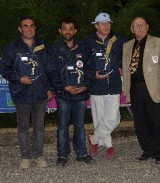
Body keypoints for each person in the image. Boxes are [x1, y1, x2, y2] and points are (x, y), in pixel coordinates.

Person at [0, 16, 53, 169]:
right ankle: (25, 157)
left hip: (40, 93)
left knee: (39, 127)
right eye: (25, 26)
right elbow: (3, 69)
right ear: (20, 29)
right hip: (21, 93)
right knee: (23, 127)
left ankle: (38, 155)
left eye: (32, 26)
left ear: (35, 28)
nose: (29, 28)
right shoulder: (11, 48)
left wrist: (49, 88)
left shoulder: (43, 46)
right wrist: (19, 78)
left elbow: (49, 69)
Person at [122, 17, 160, 164]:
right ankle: (147, 150)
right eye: (136, 25)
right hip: (136, 88)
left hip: (154, 89)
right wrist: (127, 91)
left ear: (147, 27)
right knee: (141, 123)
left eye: (142, 25)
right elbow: (125, 69)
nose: (140, 28)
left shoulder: (159, 42)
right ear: (132, 29)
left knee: (158, 122)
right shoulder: (127, 45)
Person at [47, 17, 95, 167]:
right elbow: (51, 72)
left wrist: (86, 85)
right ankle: (62, 155)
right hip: (63, 95)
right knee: (62, 126)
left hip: (80, 94)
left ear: (75, 31)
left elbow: (90, 69)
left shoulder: (84, 48)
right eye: (64, 28)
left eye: (70, 29)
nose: (67, 32)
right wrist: (63, 87)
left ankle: (81, 153)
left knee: (79, 125)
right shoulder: (54, 49)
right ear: (60, 31)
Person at [83, 13, 126, 158]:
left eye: (108, 23)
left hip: (113, 84)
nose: (106, 26)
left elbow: (125, 57)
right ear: (96, 25)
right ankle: (109, 146)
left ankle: (93, 139)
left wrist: (122, 66)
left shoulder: (119, 39)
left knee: (114, 118)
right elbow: (83, 62)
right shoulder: (88, 41)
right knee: (99, 117)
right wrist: (92, 73)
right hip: (96, 85)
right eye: (102, 24)